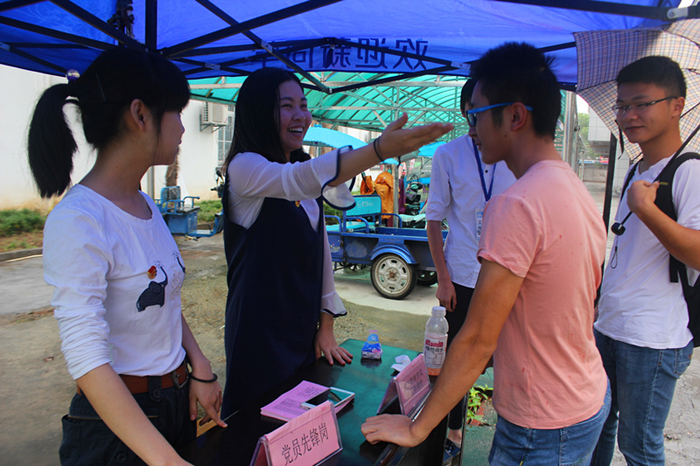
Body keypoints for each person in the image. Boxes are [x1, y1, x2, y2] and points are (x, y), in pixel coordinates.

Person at [362, 42, 610, 465]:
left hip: (542, 422)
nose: (472, 128)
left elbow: (478, 339)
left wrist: (417, 427)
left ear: (515, 116)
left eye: (476, 114)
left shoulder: (517, 203)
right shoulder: (574, 188)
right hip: (582, 397)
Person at [28, 48, 225, 466]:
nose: (182, 128)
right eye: (176, 112)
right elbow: (87, 359)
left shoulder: (146, 205)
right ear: (140, 115)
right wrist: (166, 460)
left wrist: (199, 366)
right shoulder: (79, 220)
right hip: (118, 427)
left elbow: (163, 300)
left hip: (174, 402)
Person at [220, 67, 451, 418]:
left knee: (299, 417)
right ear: (258, 113)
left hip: (301, 327)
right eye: (286, 106)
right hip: (258, 331)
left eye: (303, 105)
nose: (300, 116)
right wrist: (379, 149)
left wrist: (325, 326)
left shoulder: (303, 169)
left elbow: (322, 254)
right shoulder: (245, 168)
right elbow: (298, 180)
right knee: (254, 422)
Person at [592, 56, 699, 466]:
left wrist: (647, 210)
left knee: (639, 446)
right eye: (622, 106)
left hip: (653, 338)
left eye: (641, 104)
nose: (628, 116)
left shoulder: (690, 172)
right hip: (611, 324)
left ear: (677, 105)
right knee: (597, 427)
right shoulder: (637, 167)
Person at [425, 78, 516, 458]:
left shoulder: (514, 154)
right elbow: (433, 219)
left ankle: (506, 434)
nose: (477, 124)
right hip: (462, 276)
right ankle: (453, 431)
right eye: (471, 114)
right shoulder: (448, 155)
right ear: (465, 112)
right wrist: (443, 279)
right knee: (455, 361)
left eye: (485, 113)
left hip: (507, 277)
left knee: (508, 358)